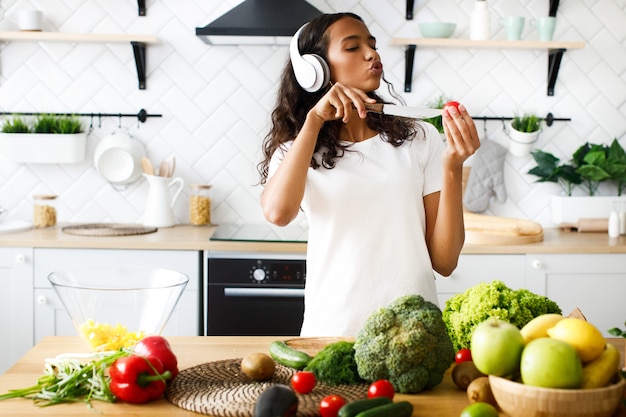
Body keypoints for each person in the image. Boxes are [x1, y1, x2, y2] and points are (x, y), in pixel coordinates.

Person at [258, 12, 480, 337]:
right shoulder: (297, 151)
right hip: (332, 330)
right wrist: (314, 121)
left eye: (372, 45)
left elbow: (445, 263)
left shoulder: (419, 138)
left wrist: (453, 165)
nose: (371, 53)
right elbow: (277, 213)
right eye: (353, 47)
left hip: (414, 332)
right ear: (314, 71)